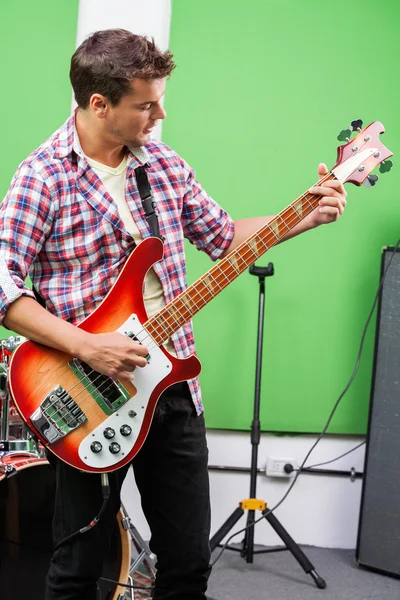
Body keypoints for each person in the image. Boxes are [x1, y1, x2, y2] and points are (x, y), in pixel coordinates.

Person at [0, 29, 347, 600]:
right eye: (146, 104)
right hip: (86, 393)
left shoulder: (162, 164)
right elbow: (6, 290)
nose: (160, 113)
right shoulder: (42, 176)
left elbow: (221, 235)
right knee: (76, 569)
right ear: (98, 104)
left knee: (187, 566)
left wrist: (301, 216)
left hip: (171, 391)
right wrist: (88, 347)